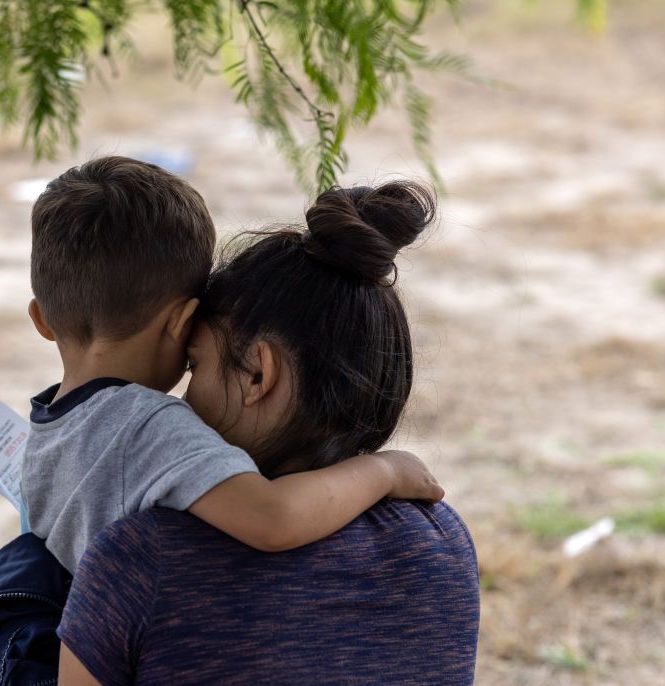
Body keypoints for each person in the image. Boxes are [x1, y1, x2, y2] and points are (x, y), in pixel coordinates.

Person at [57, 181, 481, 685]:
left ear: (259, 375)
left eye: (196, 366)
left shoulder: (142, 560)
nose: (186, 400)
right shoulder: (440, 541)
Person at [22, 156, 443, 576]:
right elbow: (275, 519)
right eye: (194, 359)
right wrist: (384, 470)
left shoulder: (44, 435)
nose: (187, 393)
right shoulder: (148, 427)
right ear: (181, 323)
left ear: (42, 320)